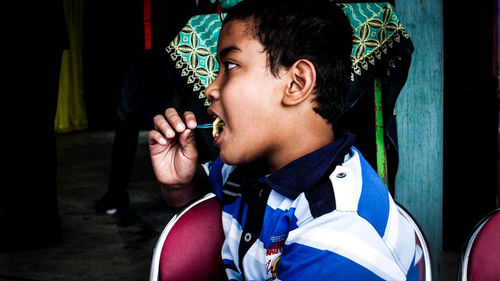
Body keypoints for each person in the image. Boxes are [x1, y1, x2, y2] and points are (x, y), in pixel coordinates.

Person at [148, 0, 422, 280]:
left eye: (230, 65)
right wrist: (182, 183)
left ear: (297, 83)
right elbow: (204, 191)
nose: (210, 89)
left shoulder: (339, 232)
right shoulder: (253, 170)